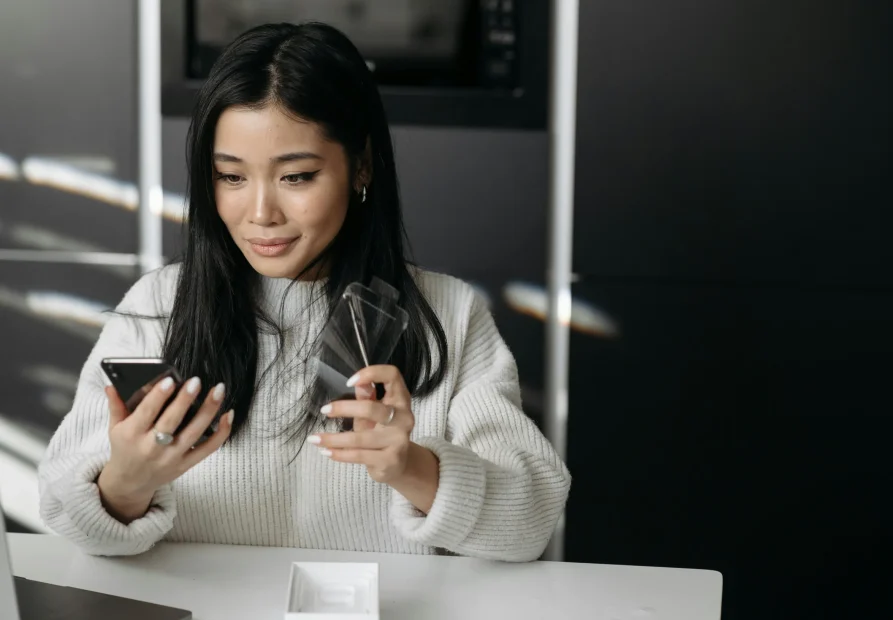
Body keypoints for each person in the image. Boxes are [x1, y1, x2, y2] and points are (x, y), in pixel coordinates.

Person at [37, 22, 570, 562]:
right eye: (232, 177)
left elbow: (531, 526)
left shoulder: (448, 313)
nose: (261, 214)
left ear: (360, 165)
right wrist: (124, 485)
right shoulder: (157, 307)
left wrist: (412, 468)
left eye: (296, 177)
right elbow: (62, 515)